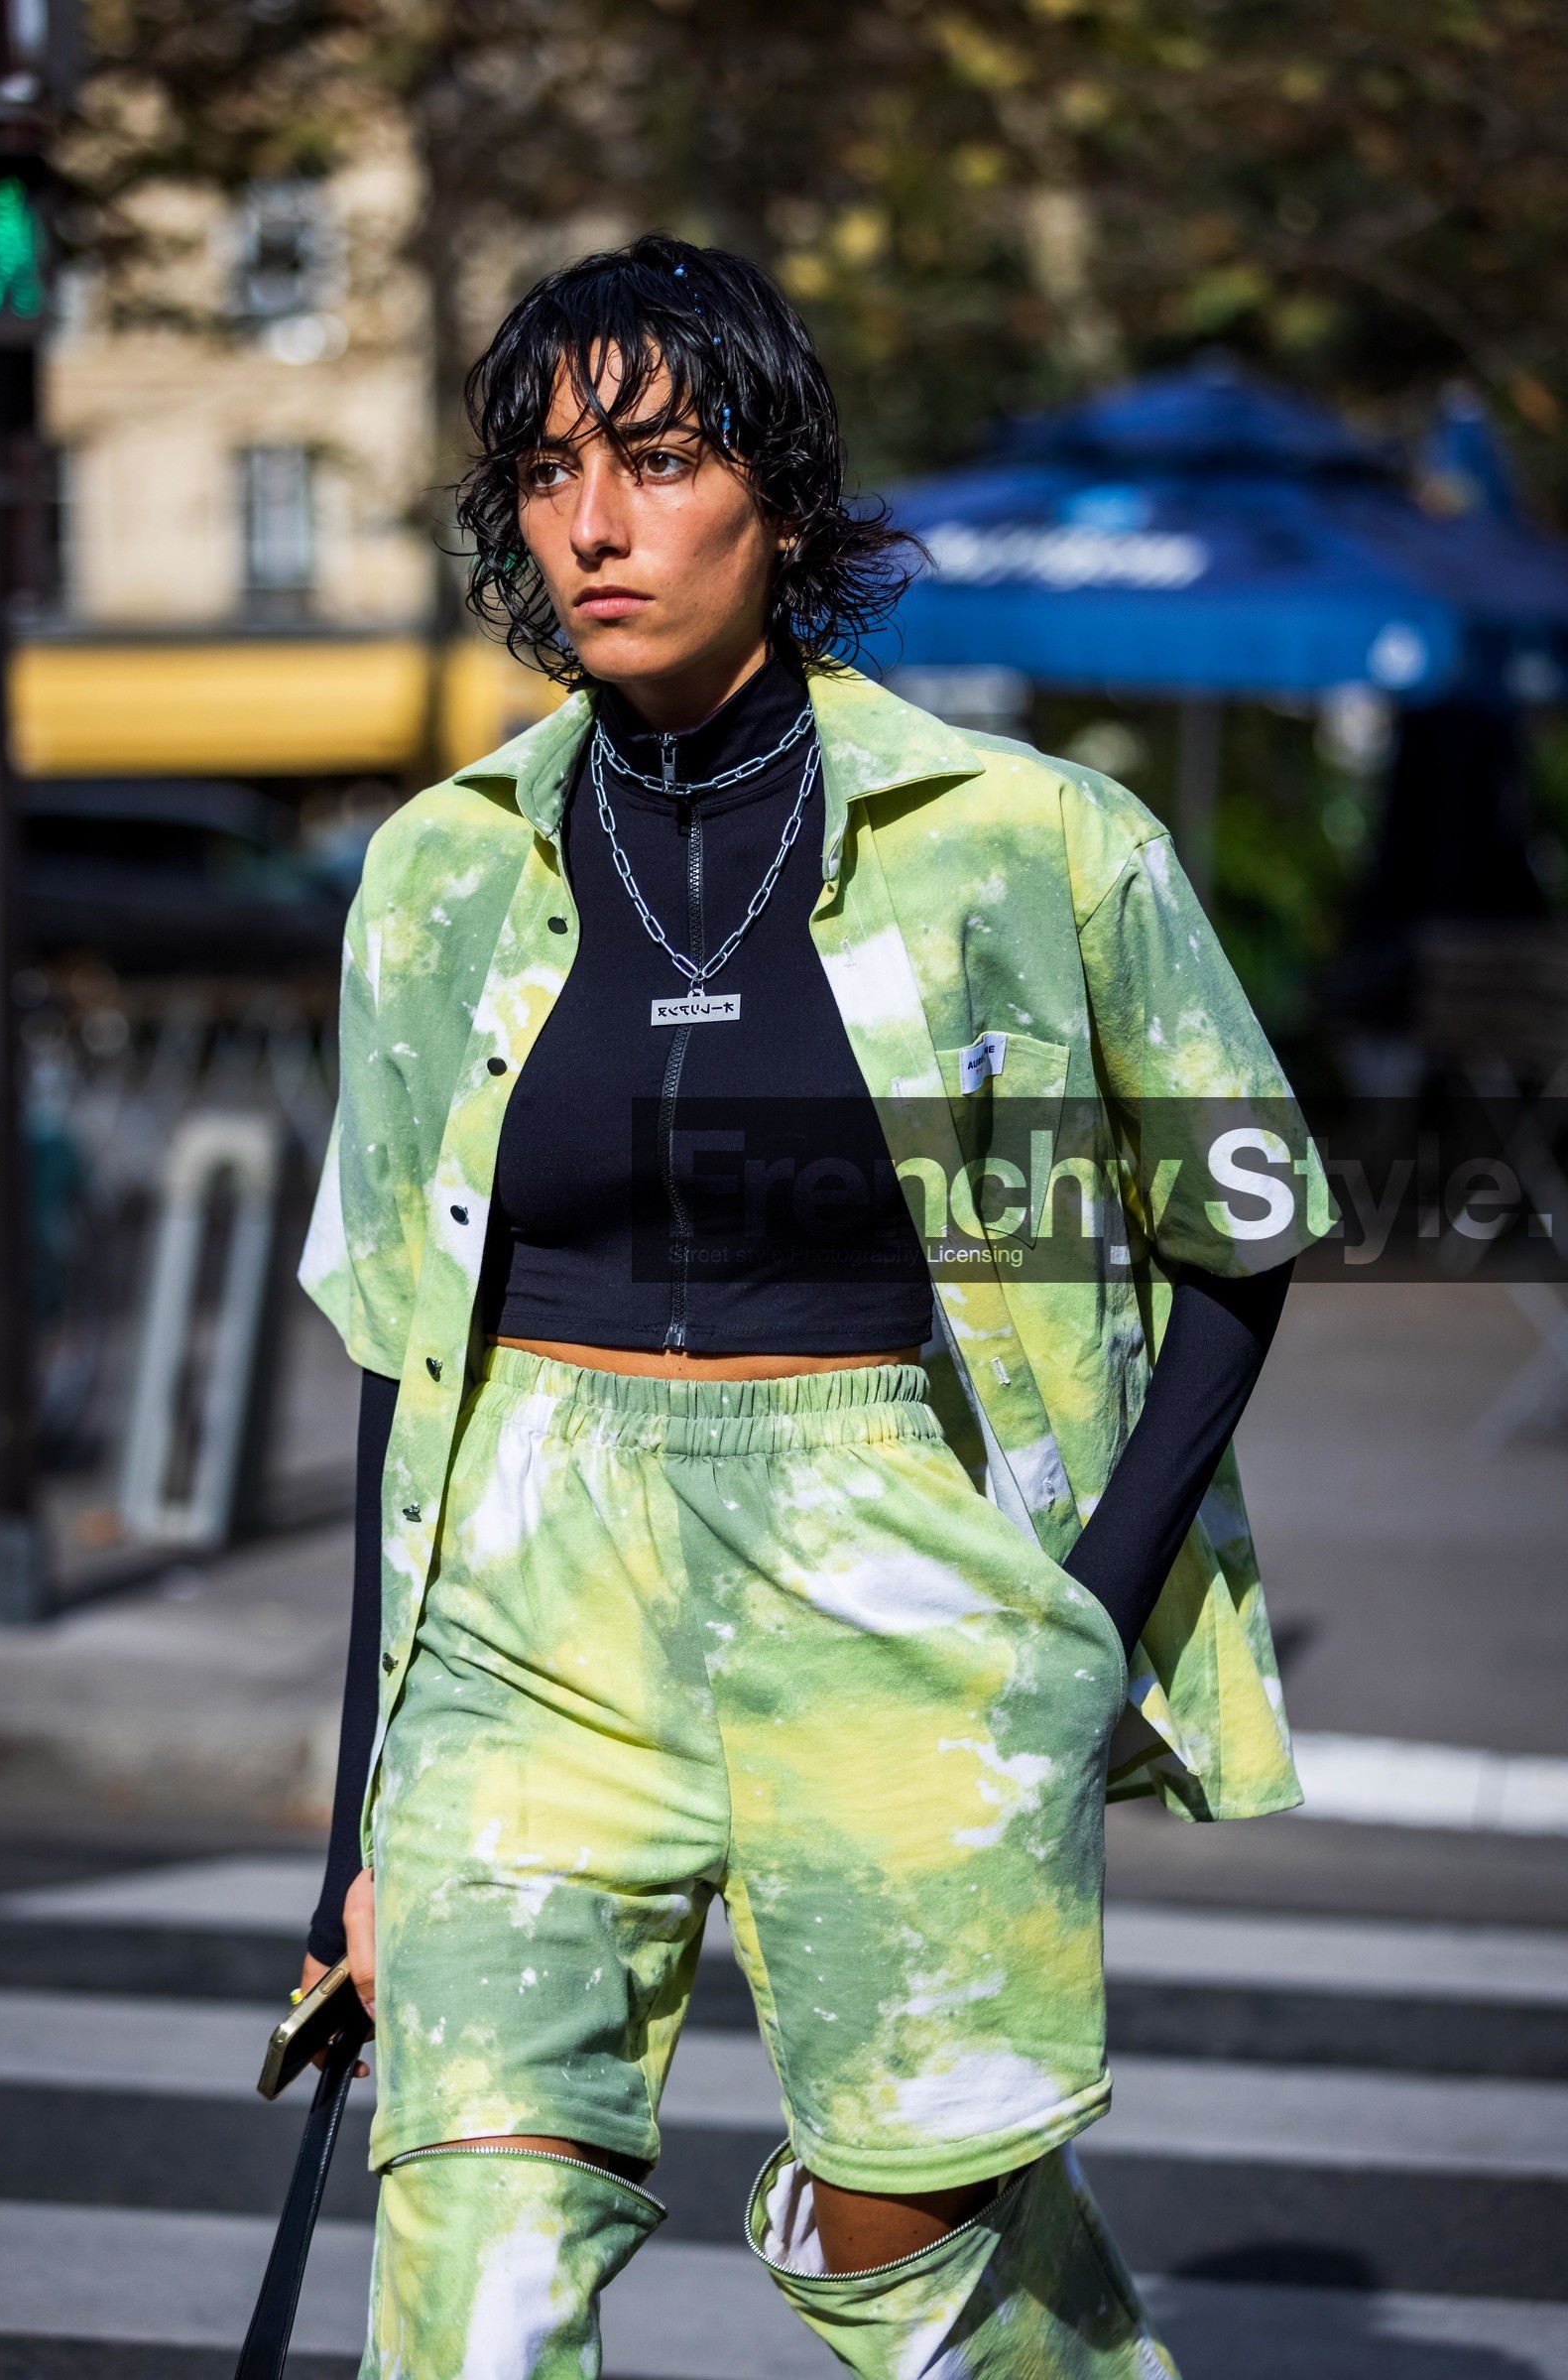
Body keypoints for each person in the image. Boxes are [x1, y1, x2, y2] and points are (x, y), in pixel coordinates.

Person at [297, 233, 1322, 2379]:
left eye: (655, 461)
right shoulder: (440, 875)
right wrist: (359, 1850)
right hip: (523, 1607)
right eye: (547, 475)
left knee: (917, 2273)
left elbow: (1233, 1230)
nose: (590, 523)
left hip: (893, 1582)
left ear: (777, 494)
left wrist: (1070, 1625)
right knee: (465, 2269)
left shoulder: (1026, 847)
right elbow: (415, 1377)